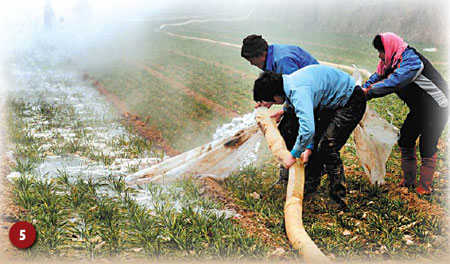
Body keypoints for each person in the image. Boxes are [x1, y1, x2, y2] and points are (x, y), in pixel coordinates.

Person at [253, 65, 366, 209]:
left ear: (275, 95)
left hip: (351, 101)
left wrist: (294, 155)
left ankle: (338, 200)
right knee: (316, 146)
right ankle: (309, 189)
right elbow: (305, 113)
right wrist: (283, 112)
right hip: (331, 102)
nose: (270, 105)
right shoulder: (289, 83)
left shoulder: (298, 90)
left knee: (327, 146)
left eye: (270, 102)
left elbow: (307, 130)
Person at [362, 32, 448, 195]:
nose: (380, 56)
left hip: (438, 106)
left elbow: (397, 80)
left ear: (390, 48)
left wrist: (369, 92)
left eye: (381, 51)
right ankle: (408, 182)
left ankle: (425, 187)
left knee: (427, 144)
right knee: (406, 139)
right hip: (420, 108)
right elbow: (376, 78)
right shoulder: (389, 63)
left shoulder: (411, 60)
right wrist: (360, 91)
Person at [241, 34, 319, 186]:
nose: (251, 64)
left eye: (252, 60)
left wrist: (285, 110)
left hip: (313, 96)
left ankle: (307, 174)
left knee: (295, 130)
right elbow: (276, 85)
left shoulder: (282, 61)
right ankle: (288, 174)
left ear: (262, 54)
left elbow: (294, 90)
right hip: (303, 95)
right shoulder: (271, 58)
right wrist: (268, 100)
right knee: (287, 129)